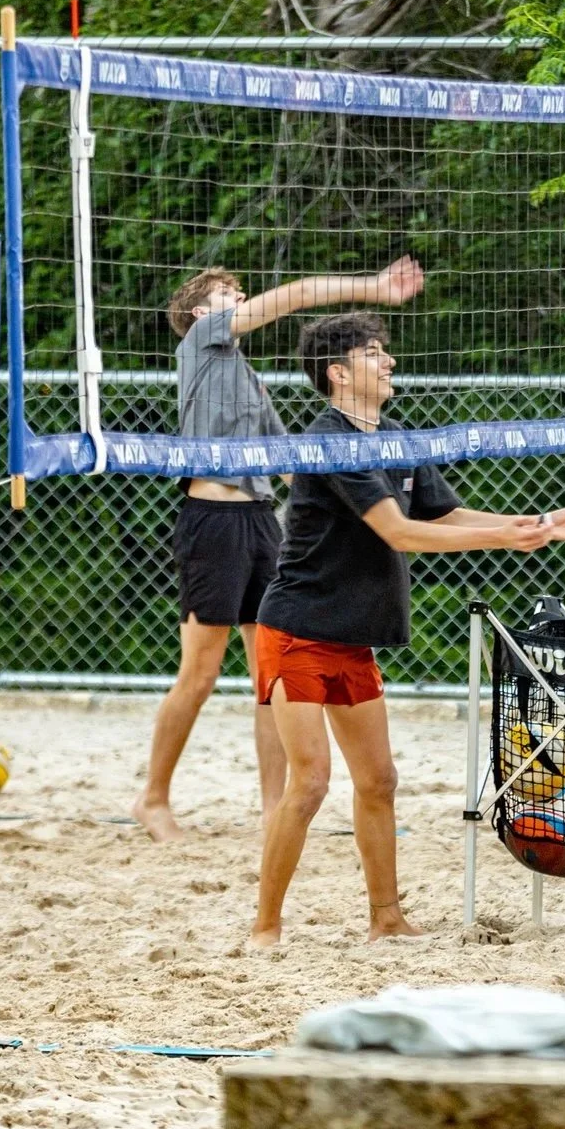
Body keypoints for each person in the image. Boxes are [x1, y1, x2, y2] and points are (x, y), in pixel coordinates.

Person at [249, 312, 565, 946]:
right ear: (339, 373)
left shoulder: (395, 438)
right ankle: (266, 927)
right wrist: (504, 540)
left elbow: (440, 512)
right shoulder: (334, 441)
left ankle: (387, 919)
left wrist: (534, 523)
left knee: (380, 780)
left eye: (385, 351)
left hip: (352, 637)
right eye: (373, 353)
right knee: (309, 783)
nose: (388, 361)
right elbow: (401, 533)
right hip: (298, 629)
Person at [131, 259, 426, 843]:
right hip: (211, 520)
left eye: (240, 293)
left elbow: (292, 465)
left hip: (262, 521)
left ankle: (274, 809)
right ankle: (154, 799)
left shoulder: (246, 376)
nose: (240, 298)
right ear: (199, 312)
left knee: (273, 675)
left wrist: (352, 501)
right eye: (228, 294)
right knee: (200, 672)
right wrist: (371, 287)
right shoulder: (199, 343)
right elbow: (291, 296)